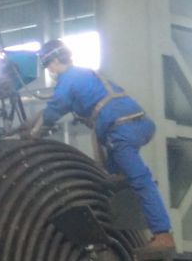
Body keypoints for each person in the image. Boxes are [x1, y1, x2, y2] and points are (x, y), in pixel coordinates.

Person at [26, 38, 174, 249]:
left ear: (56, 60)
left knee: (140, 180)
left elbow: (53, 111)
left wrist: (34, 136)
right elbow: (57, 106)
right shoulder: (85, 75)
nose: (49, 69)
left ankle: (162, 234)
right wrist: (29, 124)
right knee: (113, 177)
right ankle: (123, 223)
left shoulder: (67, 80)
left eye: (47, 64)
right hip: (139, 125)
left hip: (121, 131)